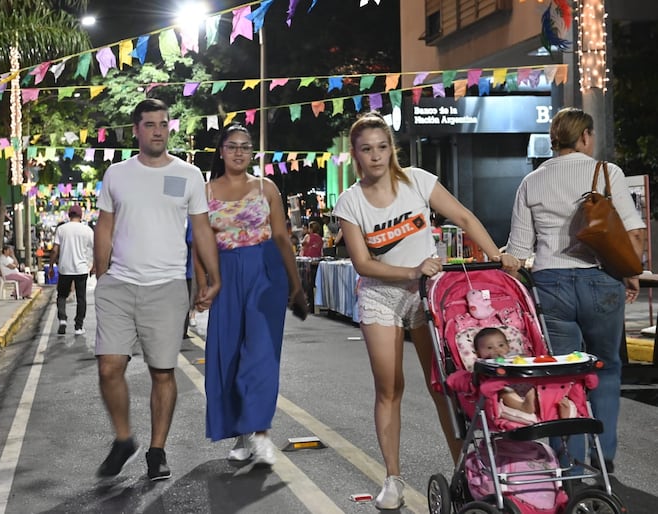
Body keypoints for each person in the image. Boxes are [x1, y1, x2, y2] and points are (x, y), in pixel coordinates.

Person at [333, 111, 520, 510]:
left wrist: (497, 255)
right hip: (381, 296)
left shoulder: (417, 180)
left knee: (444, 386)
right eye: (367, 149)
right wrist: (411, 269)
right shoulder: (350, 202)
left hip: (428, 296)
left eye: (382, 147)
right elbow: (363, 264)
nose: (376, 156)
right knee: (390, 387)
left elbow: (464, 217)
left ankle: (466, 472)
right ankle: (393, 479)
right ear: (355, 154)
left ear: (392, 149)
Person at [505, 107, 646, 475]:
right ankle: (605, 457)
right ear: (584, 136)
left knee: (562, 375)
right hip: (601, 281)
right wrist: (631, 273)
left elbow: (518, 253)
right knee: (606, 367)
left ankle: (569, 460)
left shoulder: (531, 182)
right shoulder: (606, 173)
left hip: (551, 285)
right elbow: (633, 234)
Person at [93, 98, 221, 481]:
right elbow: (104, 226)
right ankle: (123, 438)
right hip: (119, 283)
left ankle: (157, 450)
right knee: (109, 367)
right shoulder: (116, 174)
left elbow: (201, 230)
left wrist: (211, 278)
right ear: (136, 130)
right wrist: (102, 276)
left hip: (167, 287)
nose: (158, 131)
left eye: (163, 124)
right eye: (150, 124)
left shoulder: (189, 174)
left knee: (162, 372)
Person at [195, 123, 308, 467]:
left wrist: (296, 284)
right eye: (233, 146)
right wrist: (201, 285)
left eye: (246, 146)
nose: (240, 152)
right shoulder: (204, 191)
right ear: (221, 150)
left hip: (265, 273)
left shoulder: (267, 188)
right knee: (227, 356)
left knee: (261, 356)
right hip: (224, 272)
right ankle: (241, 434)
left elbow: (282, 239)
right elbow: (197, 244)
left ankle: (260, 433)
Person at [48, 204, 94, 336]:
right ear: (81, 216)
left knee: (61, 296)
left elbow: (55, 250)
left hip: (65, 268)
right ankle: (78, 326)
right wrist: (95, 266)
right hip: (81, 269)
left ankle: (62, 319)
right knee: (81, 298)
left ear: (69, 215)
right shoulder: (87, 230)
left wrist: (51, 266)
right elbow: (96, 249)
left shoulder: (61, 229)